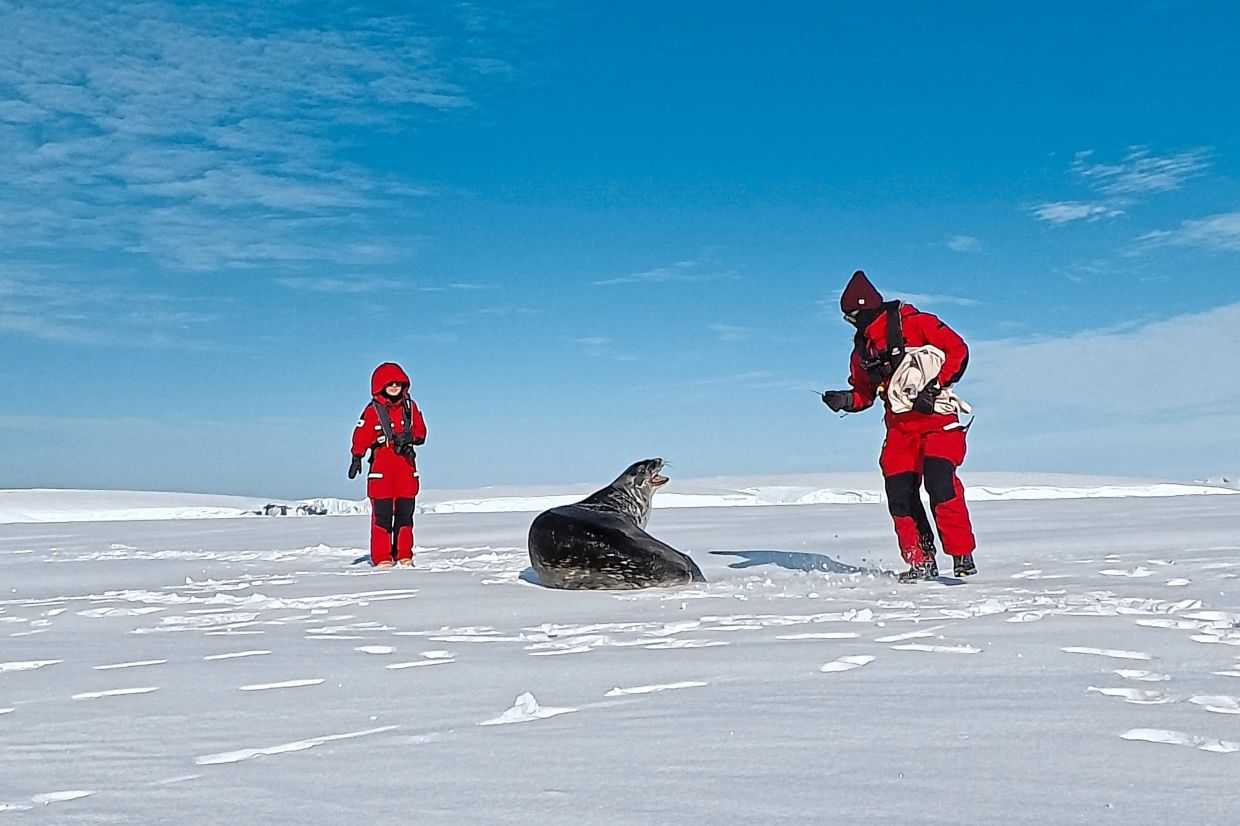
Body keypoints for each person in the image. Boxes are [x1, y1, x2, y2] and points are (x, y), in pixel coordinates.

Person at [821, 270, 977, 583]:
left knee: (940, 482)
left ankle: (961, 554)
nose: (850, 324)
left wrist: (934, 387)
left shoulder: (916, 323)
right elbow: (865, 394)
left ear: (862, 310)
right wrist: (845, 400)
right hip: (899, 431)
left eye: (851, 317)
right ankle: (920, 562)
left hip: (938, 421)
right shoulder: (861, 353)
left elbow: (958, 350)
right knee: (900, 495)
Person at [349, 362, 427, 568]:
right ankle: (382, 558)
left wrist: (409, 436)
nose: (394, 386)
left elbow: (421, 432)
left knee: (404, 516)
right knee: (382, 518)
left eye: (398, 382)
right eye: (389, 383)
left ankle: (403, 555)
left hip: (406, 471)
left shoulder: (410, 408)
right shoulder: (373, 411)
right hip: (382, 472)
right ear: (380, 385)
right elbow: (361, 434)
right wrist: (357, 456)